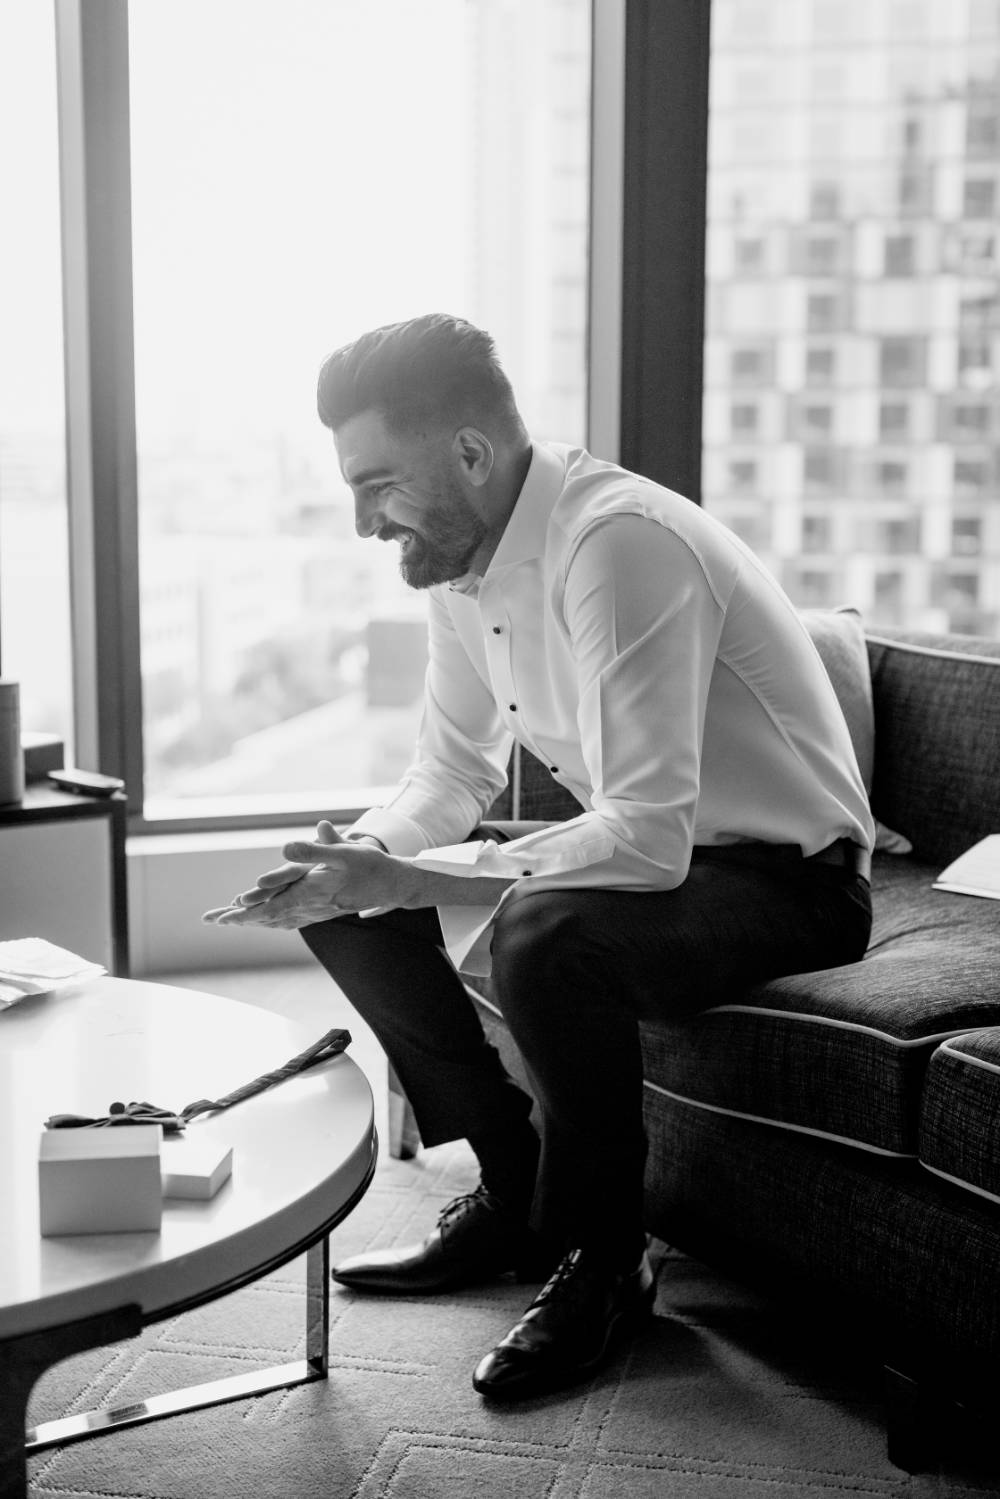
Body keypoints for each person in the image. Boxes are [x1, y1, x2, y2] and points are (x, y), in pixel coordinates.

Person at [203, 312, 874, 1402]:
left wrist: (418, 874)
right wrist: (366, 857)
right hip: (668, 853)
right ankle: (516, 1197)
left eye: (377, 484)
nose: (365, 522)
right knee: (342, 896)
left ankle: (608, 1262)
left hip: (787, 878)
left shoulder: (619, 543)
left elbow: (646, 836)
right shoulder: (464, 565)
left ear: (468, 452)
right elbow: (449, 775)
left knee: (545, 928)